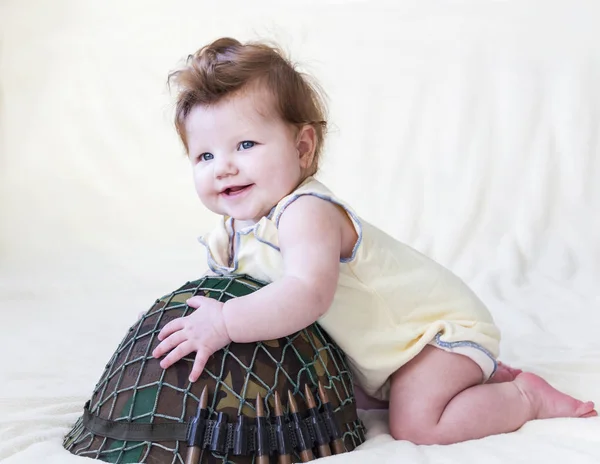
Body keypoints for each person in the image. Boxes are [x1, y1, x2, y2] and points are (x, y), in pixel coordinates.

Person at [152, 37, 597, 445]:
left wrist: (226, 322)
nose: (223, 167)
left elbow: (306, 294)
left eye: (245, 144)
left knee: (417, 424)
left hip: (433, 334)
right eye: (205, 155)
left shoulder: (305, 212)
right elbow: (222, 293)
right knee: (351, 398)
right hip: (386, 353)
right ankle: (476, 379)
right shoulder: (228, 234)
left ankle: (525, 397)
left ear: (303, 147)